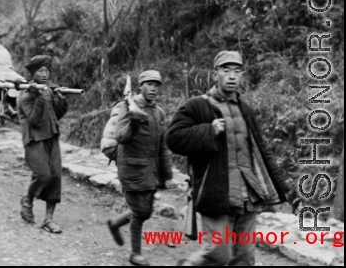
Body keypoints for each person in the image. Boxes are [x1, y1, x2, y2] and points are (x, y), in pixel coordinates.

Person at [165, 51, 291, 266]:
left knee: (244, 257)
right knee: (218, 253)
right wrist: (207, 131)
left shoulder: (247, 111)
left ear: (242, 76)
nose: (232, 76)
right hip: (215, 193)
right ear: (215, 75)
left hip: (248, 193)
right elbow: (173, 138)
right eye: (226, 70)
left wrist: (282, 191)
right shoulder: (196, 106)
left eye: (237, 71)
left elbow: (262, 150)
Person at [107, 70, 175, 267]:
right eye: (149, 84)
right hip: (132, 168)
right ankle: (135, 253)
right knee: (141, 211)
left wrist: (168, 174)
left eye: (156, 85)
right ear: (140, 86)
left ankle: (116, 223)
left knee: (145, 211)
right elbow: (120, 137)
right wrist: (134, 122)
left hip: (151, 171)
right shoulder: (127, 107)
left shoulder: (159, 112)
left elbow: (163, 145)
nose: (153, 88)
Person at [17, 55, 68, 234]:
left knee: (55, 177)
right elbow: (35, 120)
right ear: (33, 73)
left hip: (51, 137)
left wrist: (60, 98)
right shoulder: (25, 95)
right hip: (34, 140)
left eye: (47, 70)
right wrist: (38, 96)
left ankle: (48, 219)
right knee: (43, 175)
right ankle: (28, 200)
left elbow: (56, 114)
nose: (45, 74)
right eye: (40, 70)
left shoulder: (48, 91)